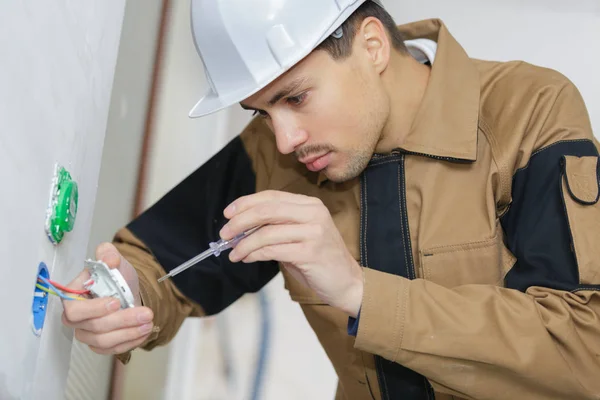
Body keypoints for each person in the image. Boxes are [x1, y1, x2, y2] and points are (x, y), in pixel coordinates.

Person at [61, 0, 600, 399]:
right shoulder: (282, 153)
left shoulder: (527, 112)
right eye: (262, 113)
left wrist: (361, 291)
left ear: (371, 46)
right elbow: (163, 263)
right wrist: (127, 295)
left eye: (295, 97)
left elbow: (582, 349)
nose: (284, 139)